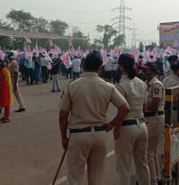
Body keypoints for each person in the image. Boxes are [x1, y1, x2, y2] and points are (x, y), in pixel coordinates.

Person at [59, 50, 130, 185]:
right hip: (99, 135)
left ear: (84, 65)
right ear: (100, 67)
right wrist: (111, 125)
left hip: (78, 135)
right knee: (96, 178)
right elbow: (125, 108)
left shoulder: (72, 85)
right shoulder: (108, 86)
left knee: (74, 178)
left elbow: (63, 115)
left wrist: (63, 137)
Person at [114, 53, 150, 185]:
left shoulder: (121, 85)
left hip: (127, 126)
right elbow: (145, 107)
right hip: (141, 124)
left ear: (121, 66)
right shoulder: (142, 83)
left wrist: (116, 127)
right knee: (142, 164)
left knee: (124, 167)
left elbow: (123, 110)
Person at [142, 62, 165, 185]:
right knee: (152, 152)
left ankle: (152, 181)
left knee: (148, 153)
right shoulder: (148, 84)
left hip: (154, 118)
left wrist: (140, 106)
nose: (145, 72)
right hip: (151, 118)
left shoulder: (156, 84)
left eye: (147, 70)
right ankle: (157, 178)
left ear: (153, 72)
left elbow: (154, 106)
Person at [0, 58, 13, 123]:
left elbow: (8, 80)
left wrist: (0, 83)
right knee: (3, 101)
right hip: (1, 88)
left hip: (6, 88)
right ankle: (5, 116)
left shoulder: (5, 69)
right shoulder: (0, 70)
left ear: (2, 63)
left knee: (6, 102)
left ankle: (7, 117)